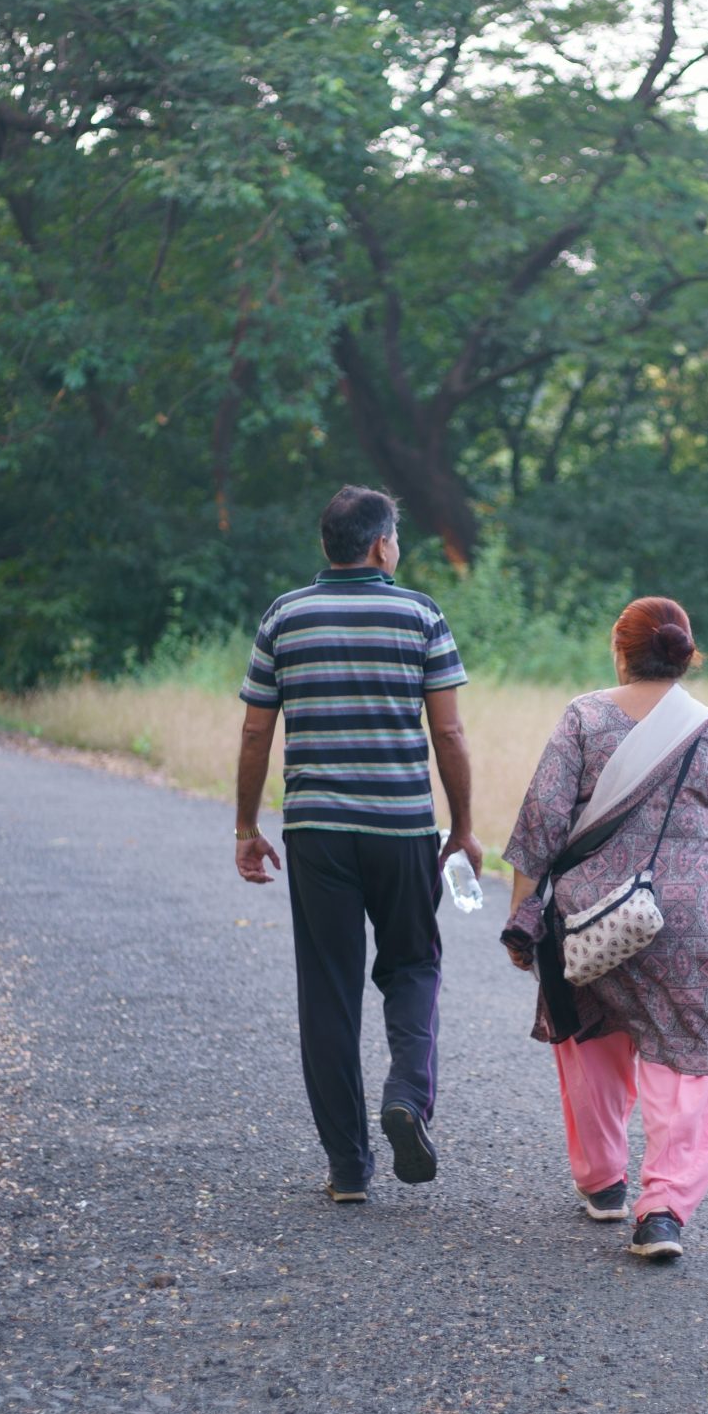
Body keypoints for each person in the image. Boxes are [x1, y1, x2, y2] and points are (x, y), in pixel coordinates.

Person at [500, 597, 708, 1262]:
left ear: (620, 648)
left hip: (589, 918)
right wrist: (690, 890)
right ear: (687, 653)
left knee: (590, 1038)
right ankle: (662, 1212)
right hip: (689, 919)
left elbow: (540, 824)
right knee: (689, 1057)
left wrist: (524, 916)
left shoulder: (584, 717)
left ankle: (604, 1183)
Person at [233, 486, 482, 1204]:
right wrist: (461, 827)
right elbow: (450, 733)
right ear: (381, 546)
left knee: (329, 992)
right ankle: (406, 1093)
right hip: (402, 828)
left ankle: (348, 1168)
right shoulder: (419, 614)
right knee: (413, 965)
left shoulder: (285, 615)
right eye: (396, 538)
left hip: (316, 833)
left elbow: (256, 731)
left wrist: (247, 826)